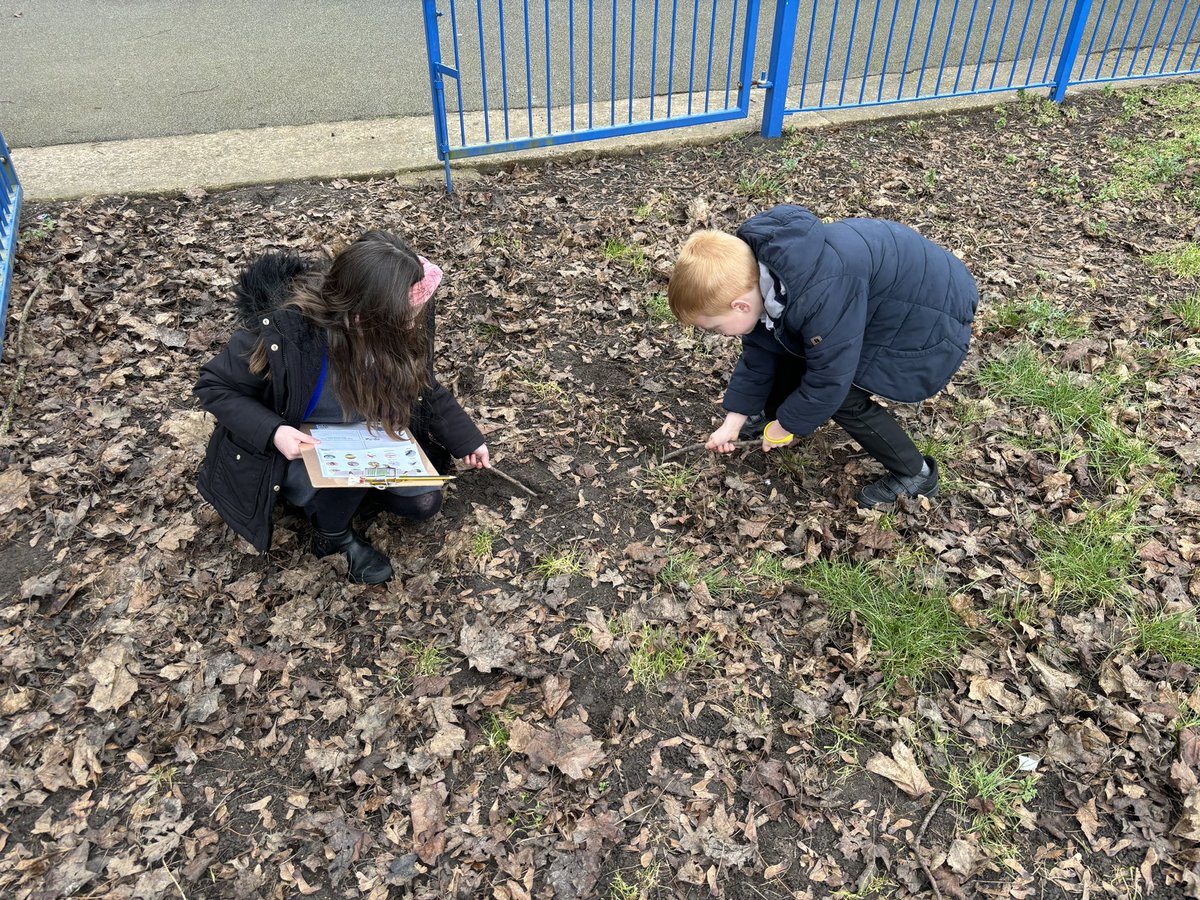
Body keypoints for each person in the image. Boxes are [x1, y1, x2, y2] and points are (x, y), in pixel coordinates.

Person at [195, 231, 490, 584]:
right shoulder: (287, 336)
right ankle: (331, 536)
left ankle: (347, 500)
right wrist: (274, 431)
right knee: (347, 481)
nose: (414, 324)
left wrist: (467, 440)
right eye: (405, 318)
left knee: (422, 503)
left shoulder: (398, 327)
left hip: (370, 437)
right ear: (365, 316)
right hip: (301, 449)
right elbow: (214, 386)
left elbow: (424, 387)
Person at [667, 204, 978, 507]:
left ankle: (916, 474)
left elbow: (830, 379)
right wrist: (735, 419)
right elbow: (760, 354)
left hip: (928, 311)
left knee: (844, 396)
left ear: (741, 306)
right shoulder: (760, 276)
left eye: (718, 327)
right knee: (790, 344)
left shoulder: (818, 294)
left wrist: (788, 426)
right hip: (879, 292)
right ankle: (773, 414)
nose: (724, 335)